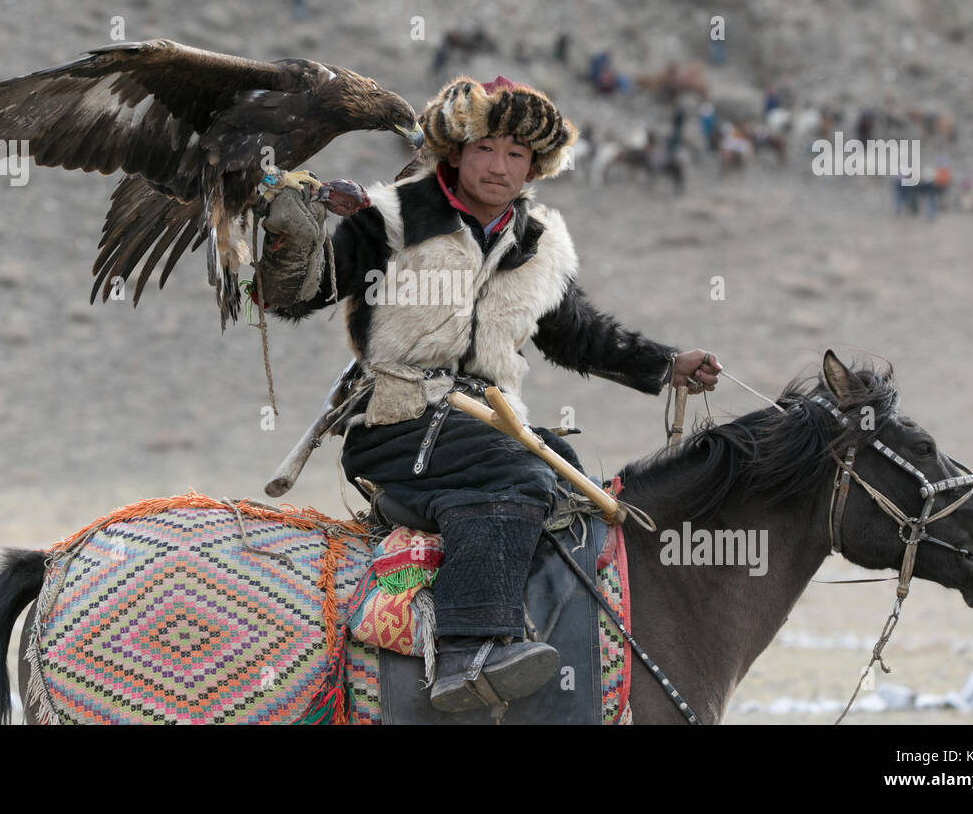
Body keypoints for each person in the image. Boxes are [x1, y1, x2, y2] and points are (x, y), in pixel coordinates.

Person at [256, 75, 720, 712]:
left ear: (537, 164)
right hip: (398, 421)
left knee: (567, 482)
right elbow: (302, 294)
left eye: (517, 154)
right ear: (455, 151)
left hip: (489, 421)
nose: (500, 167)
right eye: (485, 149)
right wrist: (292, 245)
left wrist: (668, 365)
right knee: (520, 480)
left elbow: (578, 335)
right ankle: (468, 649)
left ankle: (554, 669)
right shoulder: (387, 218)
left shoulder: (538, 245)